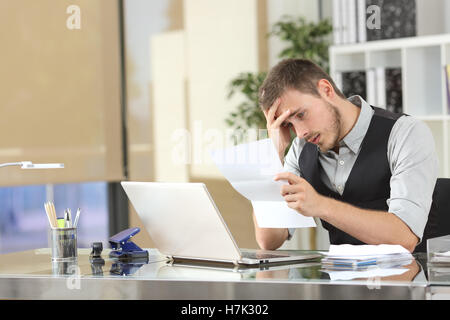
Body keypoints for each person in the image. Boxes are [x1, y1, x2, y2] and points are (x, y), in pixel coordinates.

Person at [253, 58, 438, 253]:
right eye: (288, 124)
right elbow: (269, 240)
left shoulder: (405, 134)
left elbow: (404, 237)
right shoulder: (301, 148)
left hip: (408, 278)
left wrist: (320, 205)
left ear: (326, 90)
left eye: (301, 115)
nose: (300, 133)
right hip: (342, 280)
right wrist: (272, 158)